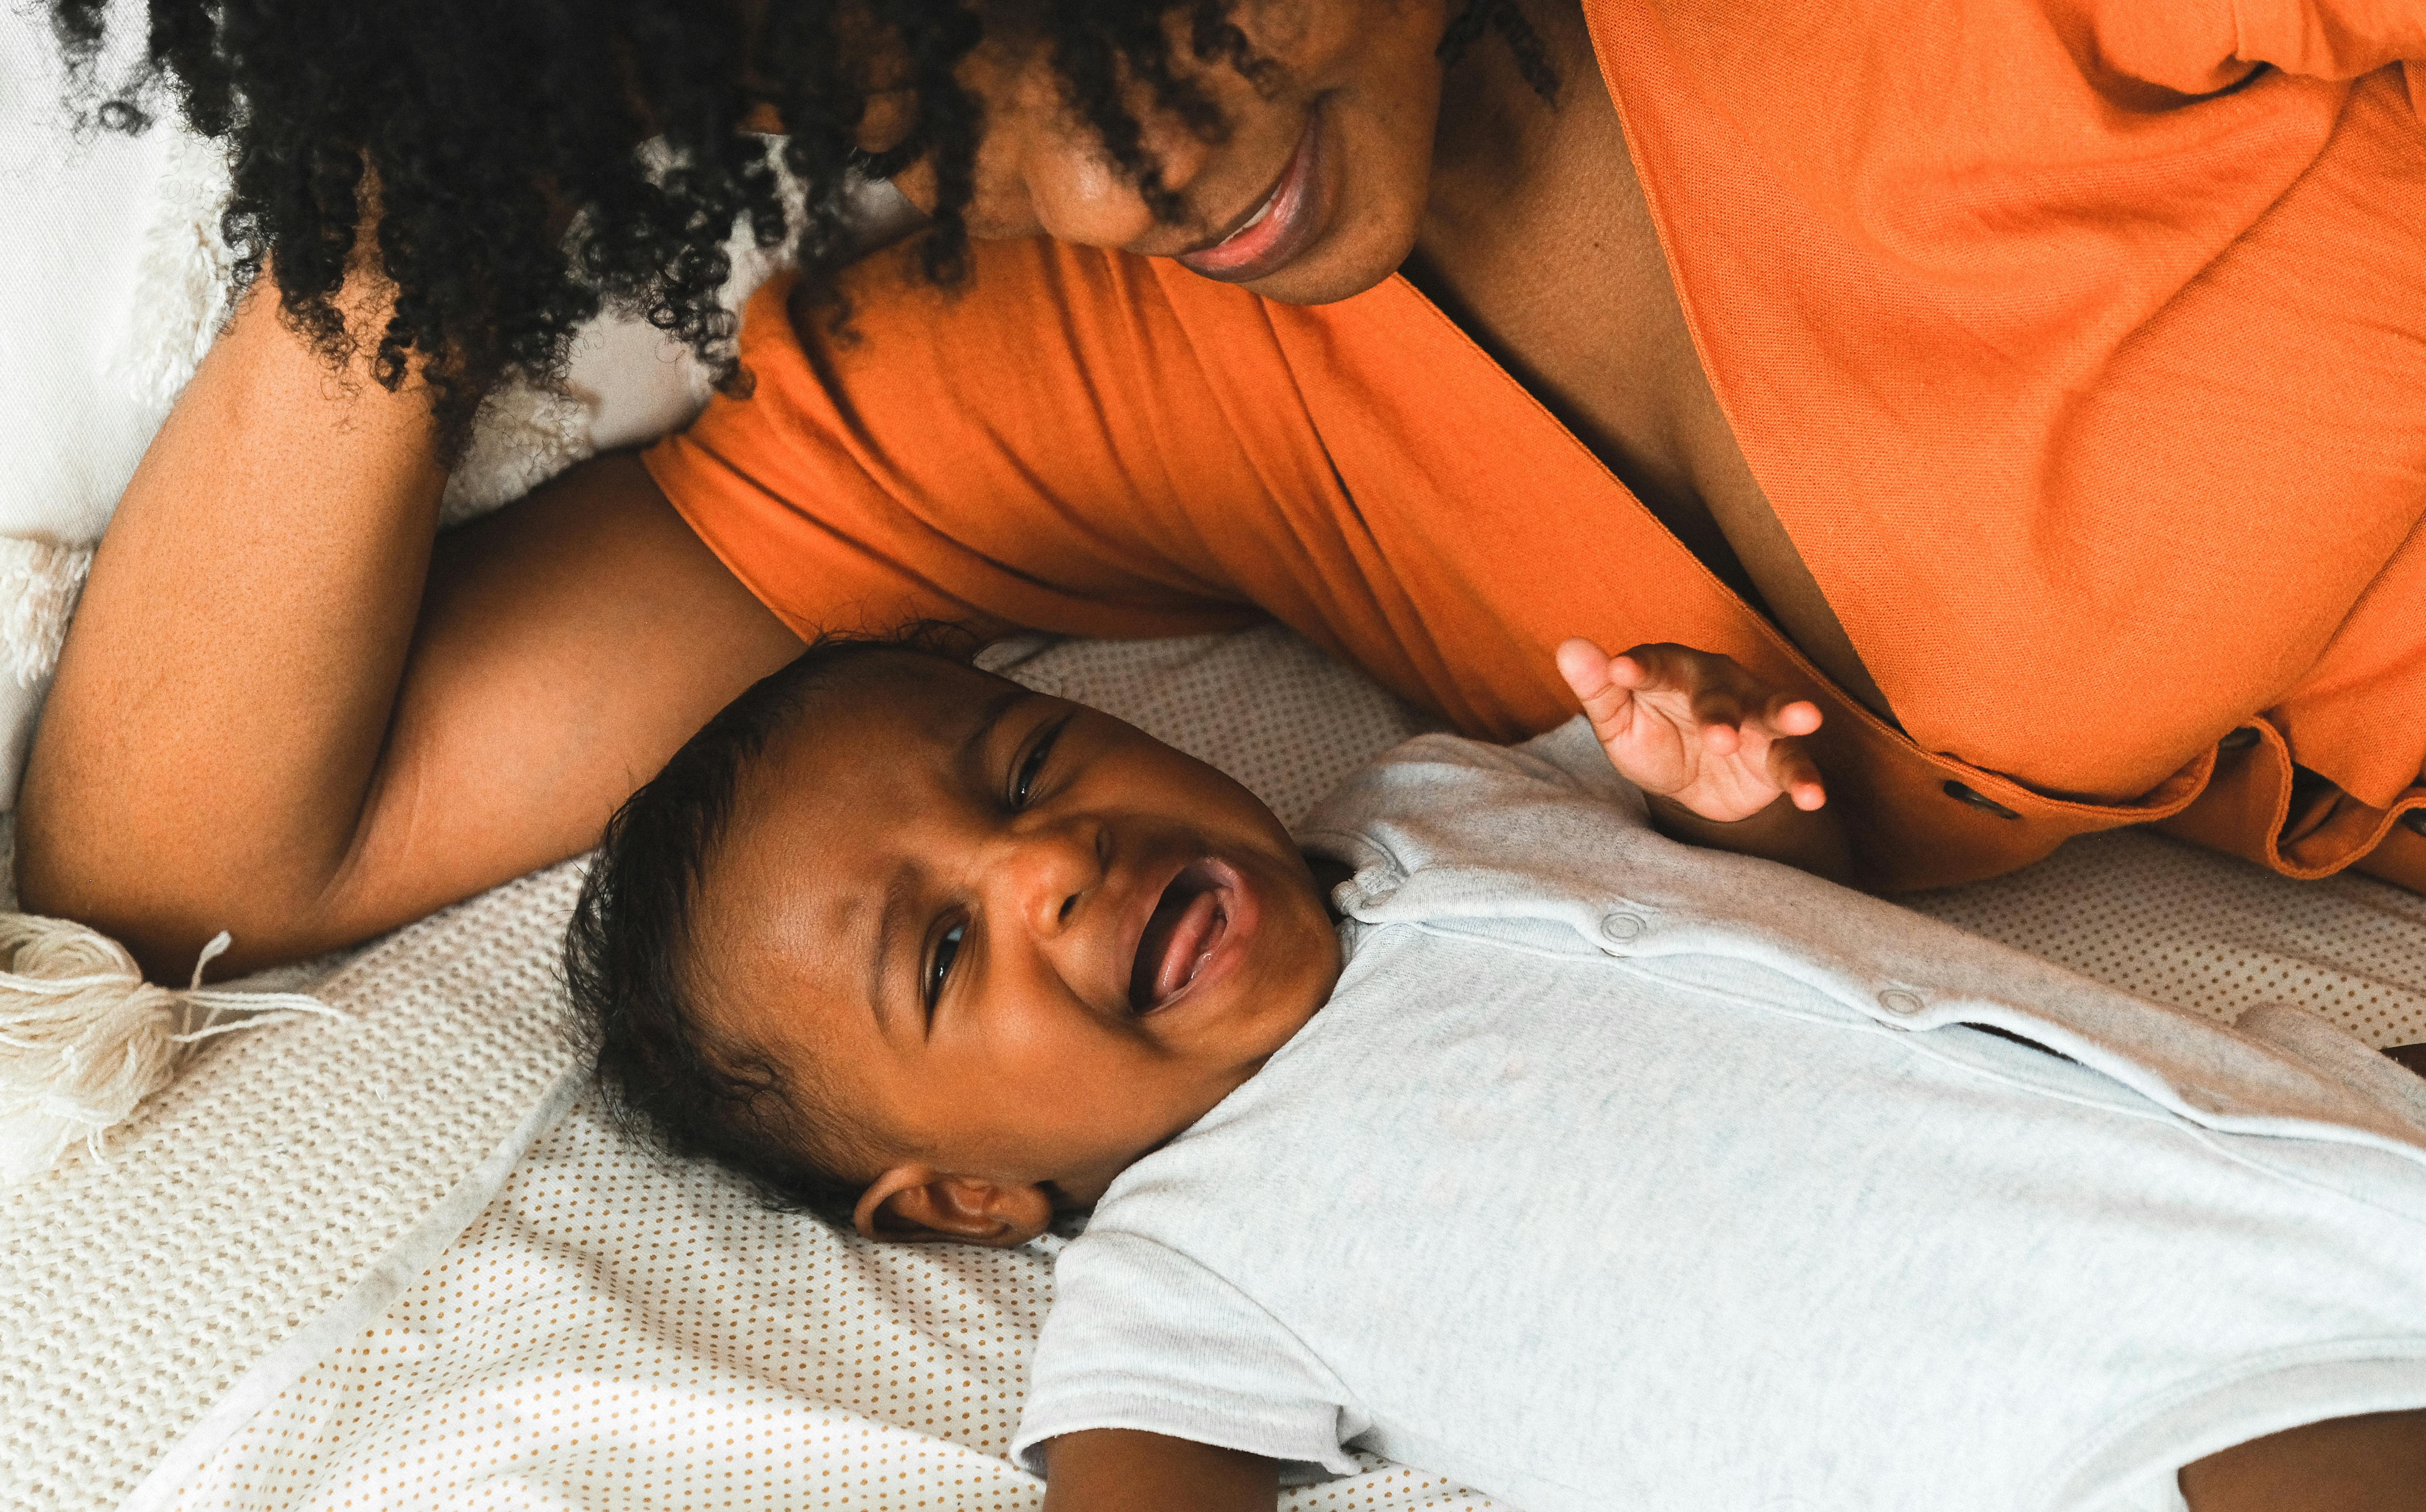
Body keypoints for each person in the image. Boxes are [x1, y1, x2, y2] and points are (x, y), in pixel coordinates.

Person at [20, 0, 2426, 984]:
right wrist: (412, 186)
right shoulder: (1101, 362)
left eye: (1143, 16)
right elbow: (192, 860)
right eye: (934, 117)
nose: (1109, 186)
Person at [560, 623, 2426, 1512]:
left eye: (1030, 761)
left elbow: (1796, 882)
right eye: (946, 945)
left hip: (2305, 1125)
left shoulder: (1436, 790)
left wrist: (1727, 789)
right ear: (966, 1194)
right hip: (2141, 1424)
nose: (1052, 857)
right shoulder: (1182, 1266)